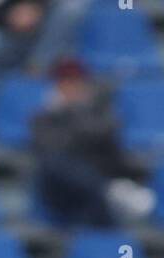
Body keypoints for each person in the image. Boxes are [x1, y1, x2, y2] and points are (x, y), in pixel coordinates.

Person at [30, 57, 154, 228]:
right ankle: (109, 192)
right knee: (59, 163)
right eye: (67, 82)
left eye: (76, 82)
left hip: (95, 187)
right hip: (62, 193)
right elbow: (52, 150)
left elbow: (106, 135)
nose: (73, 88)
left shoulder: (98, 109)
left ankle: (111, 195)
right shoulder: (43, 117)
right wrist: (70, 114)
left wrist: (79, 113)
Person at [0, 1, 91, 104]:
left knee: (73, 5)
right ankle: (2, 104)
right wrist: (8, 16)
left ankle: (39, 66)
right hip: (3, 35)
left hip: (44, 33)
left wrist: (34, 6)